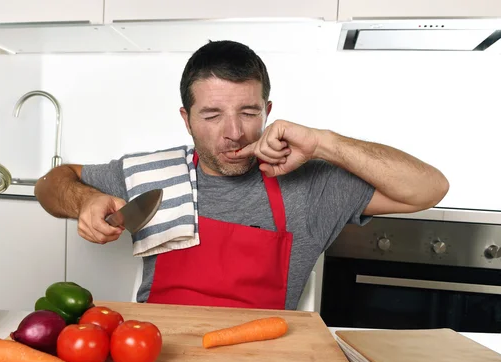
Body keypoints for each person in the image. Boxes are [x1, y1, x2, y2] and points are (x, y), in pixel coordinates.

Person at [35, 40, 449, 311]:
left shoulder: (310, 184)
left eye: (249, 113)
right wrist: (84, 201)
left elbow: (429, 189)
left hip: (265, 361)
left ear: (268, 111)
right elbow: (52, 183)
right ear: (187, 119)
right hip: (155, 352)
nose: (234, 132)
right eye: (212, 115)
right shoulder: (152, 174)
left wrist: (324, 143)